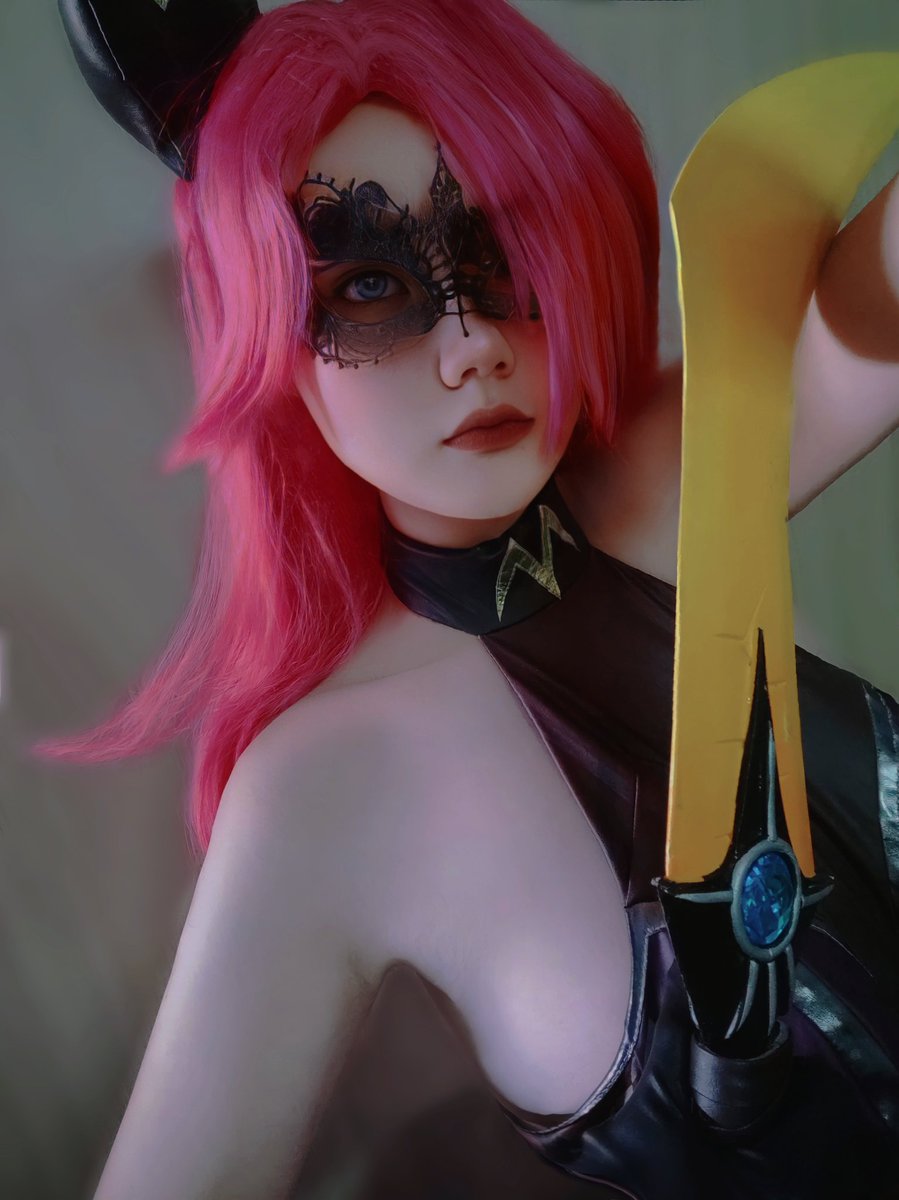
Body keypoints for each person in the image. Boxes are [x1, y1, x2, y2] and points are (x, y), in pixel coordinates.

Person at [53, 1, 899, 1196]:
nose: (472, 347)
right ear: (266, 345)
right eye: (366, 285)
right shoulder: (323, 787)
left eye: (504, 254)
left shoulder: (669, 483)